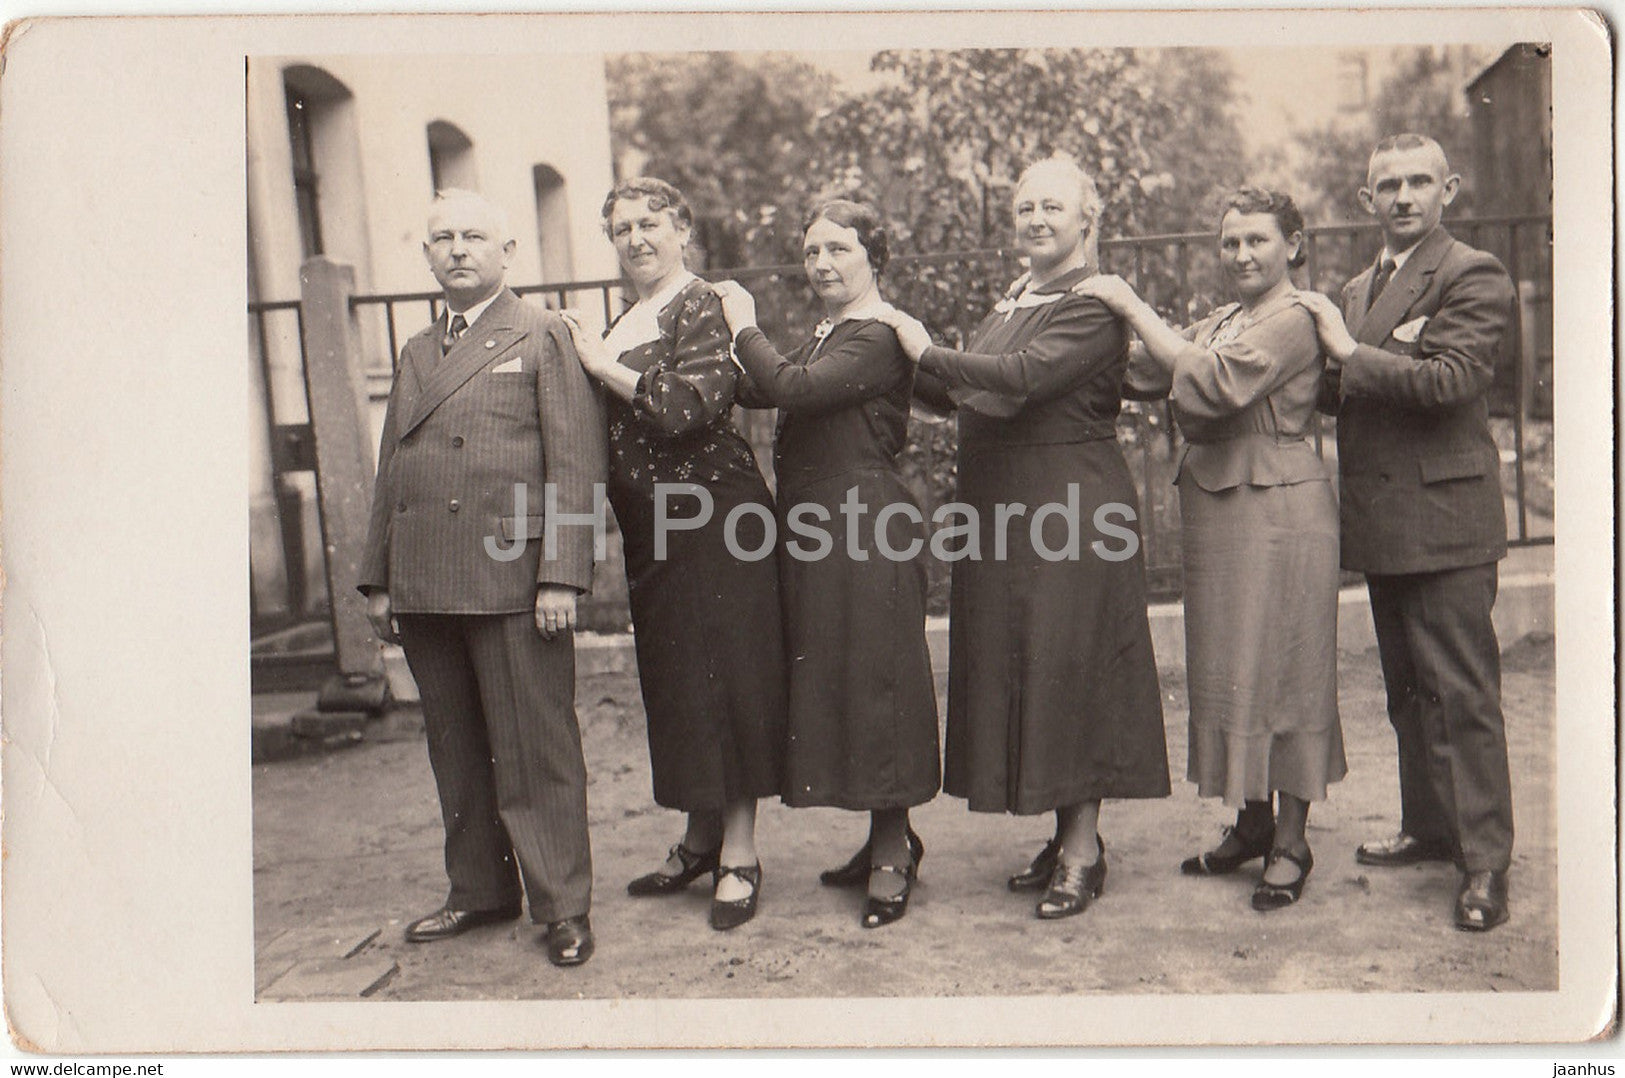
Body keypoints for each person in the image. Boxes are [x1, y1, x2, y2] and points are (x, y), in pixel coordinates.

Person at [877, 155, 1169, 920]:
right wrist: (886, 353)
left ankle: (1082, 852)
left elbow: (1020, 376)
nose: (1035, 220)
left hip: (1068, 508)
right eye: (1024, 208)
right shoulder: (1016, 297)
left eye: (1051, 207)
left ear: (1086, 219)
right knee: (1034, 669)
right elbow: (965, 387)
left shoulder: (1091, 304)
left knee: (1069, 668)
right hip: (1006, 509)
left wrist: (919, 345)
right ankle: (1062, 834)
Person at [1076, 188, 1344, 911]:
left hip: (1280, 507)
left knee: (1286, 669)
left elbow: (1215, 380)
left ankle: (1291, 841)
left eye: (1257, 240)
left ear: (1293, 245)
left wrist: (1130, 304)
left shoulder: (1296, 315)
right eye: (1230, 242)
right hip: (1221, 505)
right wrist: (1074, 318)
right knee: (1233, 670)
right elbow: (1145, 367)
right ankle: (1252, 823)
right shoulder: (1225, 318)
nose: (1241, 254)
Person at [358, 189, 606, 967]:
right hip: (426, 576)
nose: (458, 249)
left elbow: (575, 461)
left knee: (535, 750)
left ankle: (562, 905)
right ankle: (479, 890)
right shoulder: (415, 350)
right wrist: (377, 577)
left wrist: (561, 576)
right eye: (443, 238)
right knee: (456, 750)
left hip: (510, 577)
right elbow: (392, 469)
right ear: (427, 255)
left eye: (473, 236)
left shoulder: (541, 333)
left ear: (507, 252)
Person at [1295, 134, 1518, 932]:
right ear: (1366, 200)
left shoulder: (1470, 272)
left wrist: (1345, 351)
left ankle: (1484, 861)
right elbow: (1340, 388)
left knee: (1461, 693)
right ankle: (1429, 827)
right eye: (1386, 185)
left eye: (1418, 181)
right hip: (1385, 521)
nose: (1402, 196)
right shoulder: (1358, 288)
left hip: (1447, 522)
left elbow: (1450, 380)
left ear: (1446, 189)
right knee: (1408, 691)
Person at [559, 178, 786, 932]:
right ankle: (699, 837)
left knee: (729, 679)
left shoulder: (703, 303)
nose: (636, 239)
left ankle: (740, 853)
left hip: (717, 518)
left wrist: (599, 365)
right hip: (653, 528)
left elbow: (685, 406)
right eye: (621, 228)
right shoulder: (625, 320)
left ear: (682, 229)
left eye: (650, 223)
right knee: (681, 682)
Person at [712, 200, 940, 929]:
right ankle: (883, 837)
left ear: (874, 255)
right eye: (812, 251)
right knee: (843, 677)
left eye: (838, 248)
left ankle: (893, 850)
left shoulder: (878, 334)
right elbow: (764, 384)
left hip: (866, 521)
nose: (821, 264)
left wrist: (742, 324)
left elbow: (792, 389)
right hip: (821, 526)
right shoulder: (830, 334)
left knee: (878, 679)